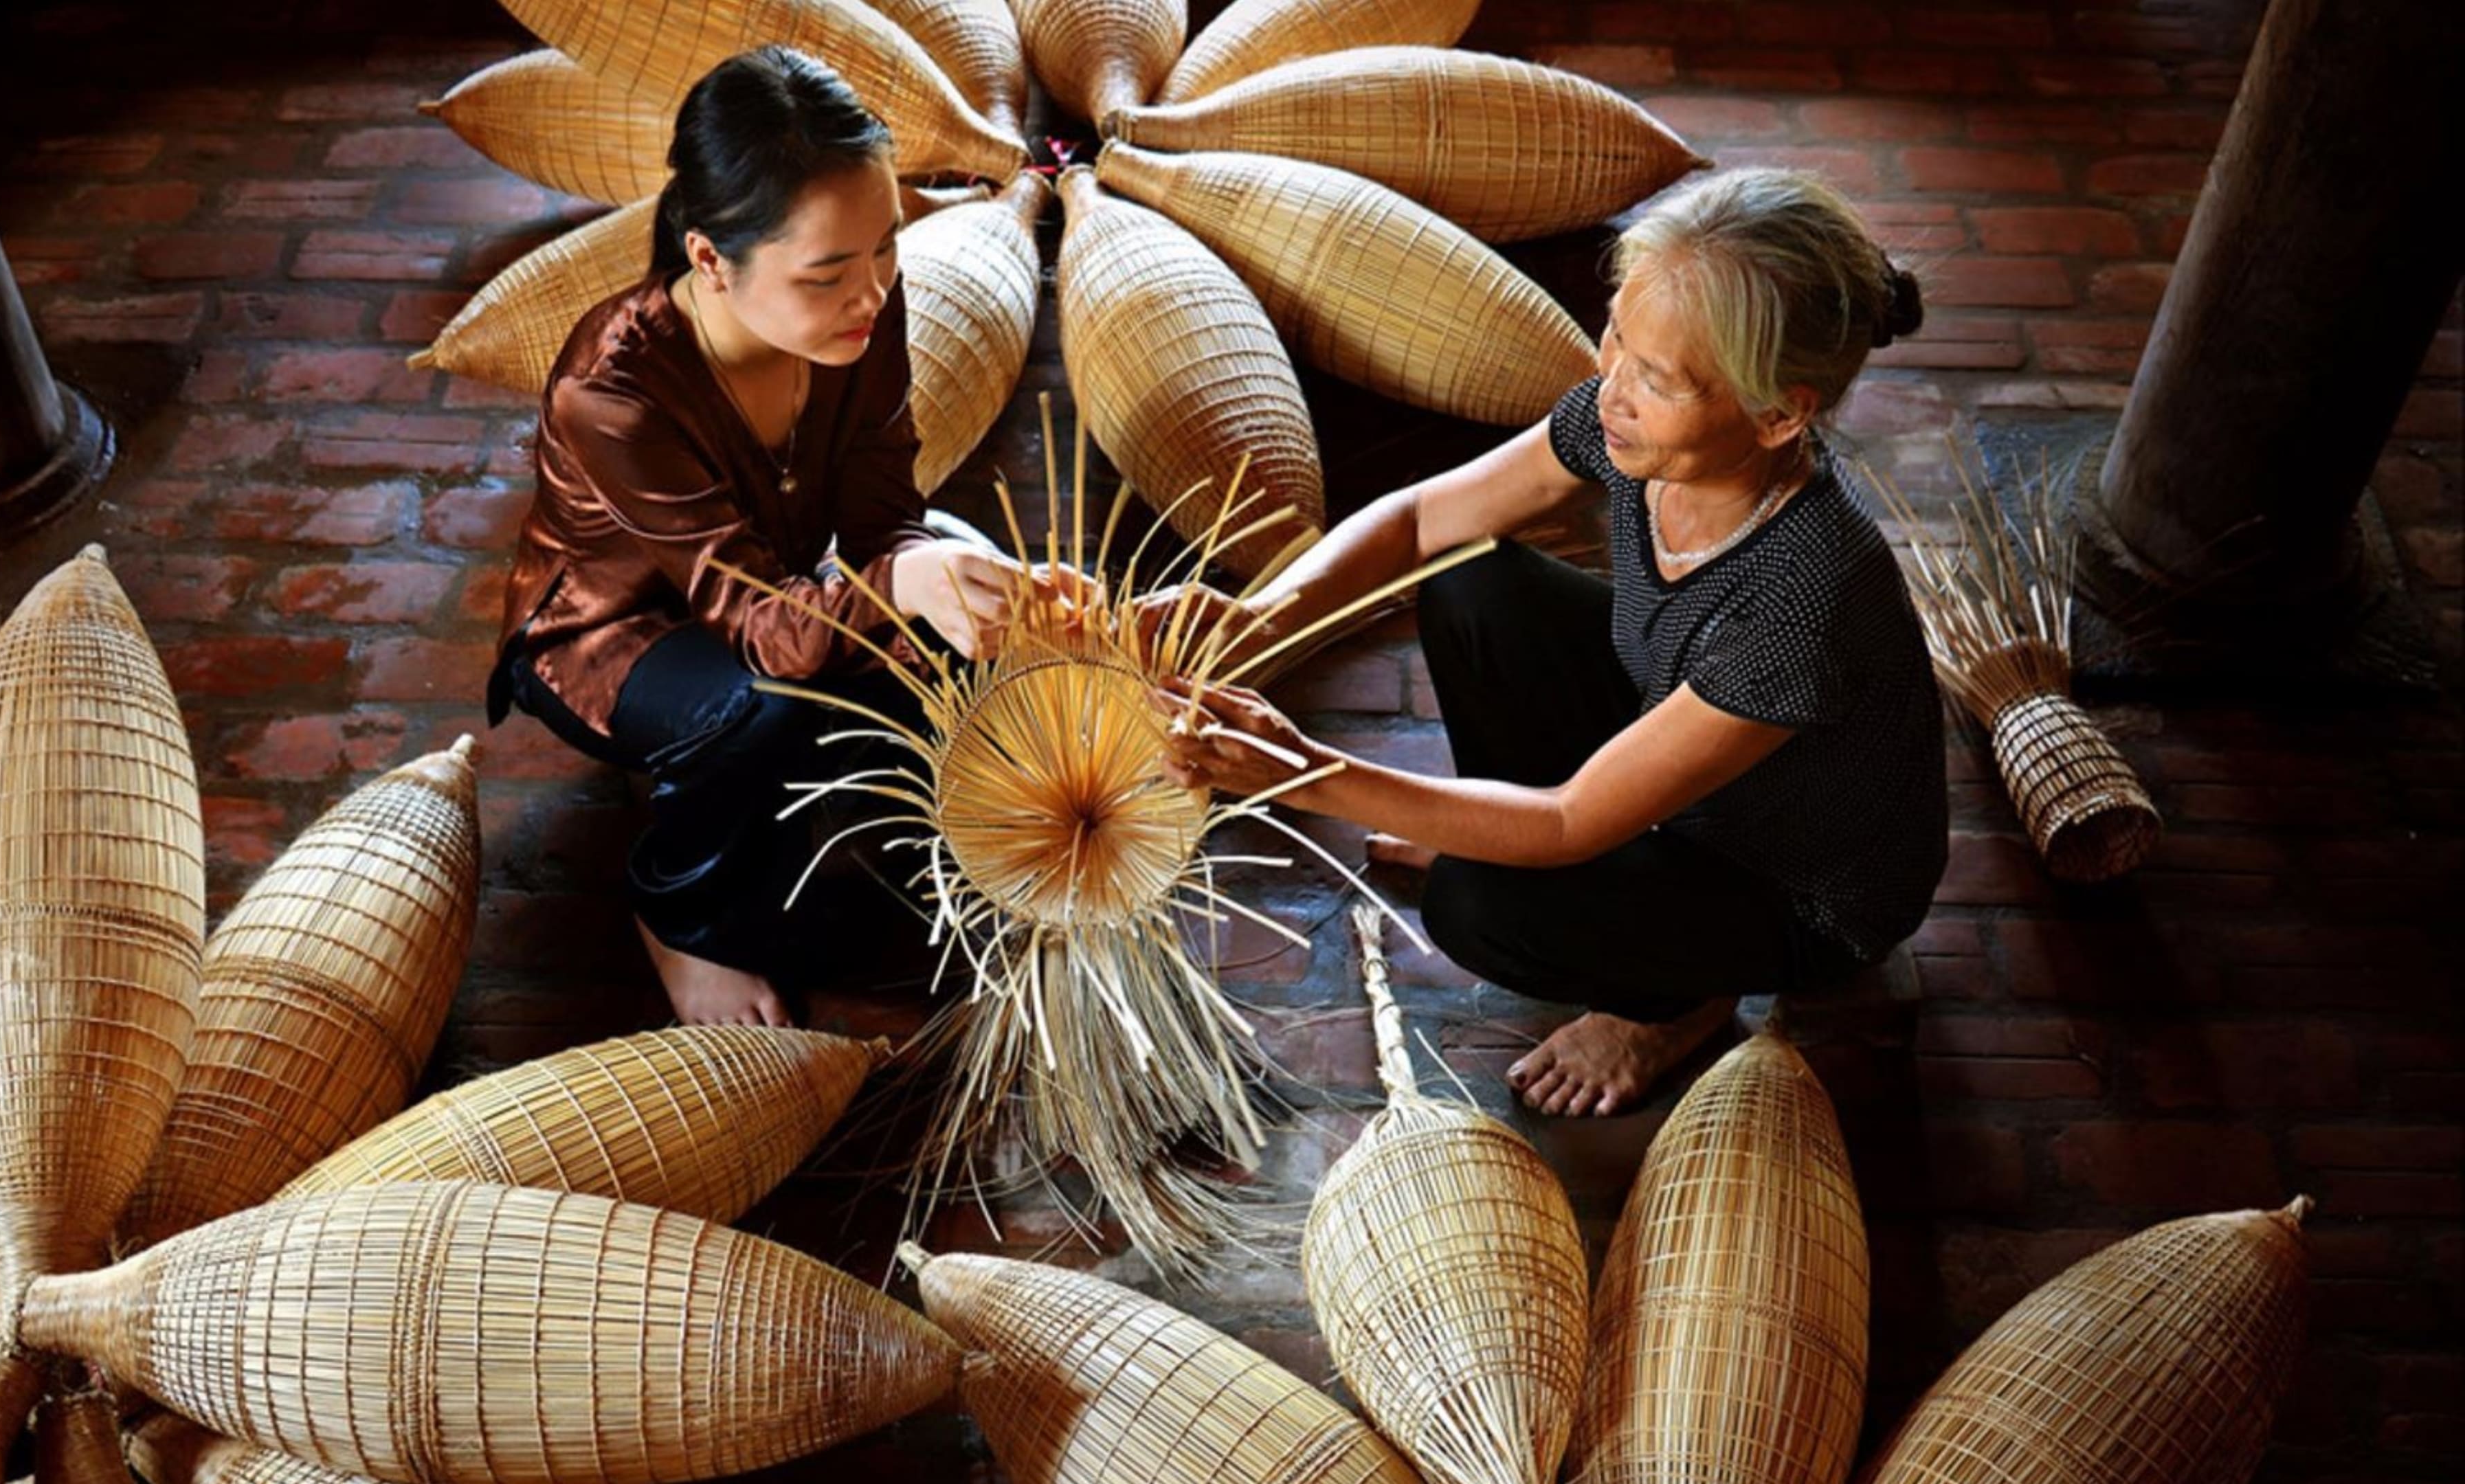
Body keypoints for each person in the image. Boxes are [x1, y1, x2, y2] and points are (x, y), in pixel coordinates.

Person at [1153, 168, 1950, 1117]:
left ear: (1779, 416)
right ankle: (1504, 838)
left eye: (1657, 380)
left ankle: (1672, 1006)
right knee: (1470, 579)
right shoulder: (1630, 428)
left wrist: (1299, 771)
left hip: (1791, 888)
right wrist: (1255, 616)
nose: (1613, 388)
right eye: (1616, 336)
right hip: (1685, 751)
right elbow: (1419, 521)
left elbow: (1570, 822)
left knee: (1481, 906)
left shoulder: (1802, 600)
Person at [489, 47, 1033, 1028]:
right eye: (827, 274)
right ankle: (677, 909)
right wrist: (899, 589)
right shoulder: (610, 393)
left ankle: (765, 788)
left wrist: (927, 570)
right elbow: (762, 627)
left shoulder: (863, 309)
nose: (872, 294)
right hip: (612, 639)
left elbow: (883, 515)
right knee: (773, 710)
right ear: (709, 260)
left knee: (965, 578)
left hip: (778, 595)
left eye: (886, 248)